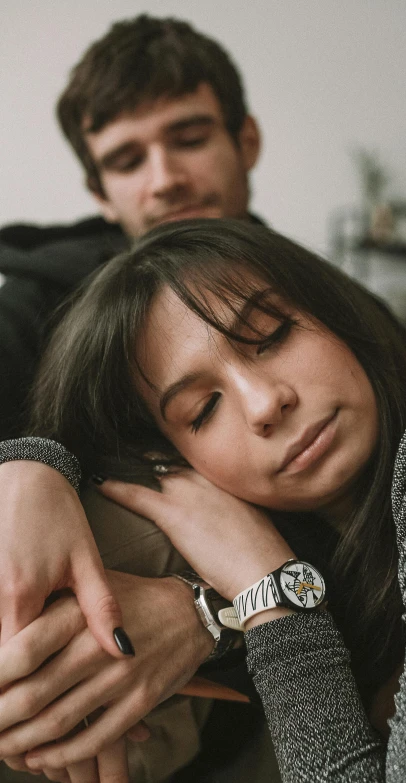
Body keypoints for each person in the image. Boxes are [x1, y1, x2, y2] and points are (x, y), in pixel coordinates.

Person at [9, 219, 406, 782]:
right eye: (202, 410)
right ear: (180, 465)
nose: (263, 404)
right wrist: (33, 462)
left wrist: (270, 591)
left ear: (336, 314)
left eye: (272, 335)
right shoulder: (351, 609)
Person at [0, 14, 264, 780]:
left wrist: (208, 610)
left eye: (188, 137)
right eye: (126, 158)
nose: (165, 177)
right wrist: (29, 459)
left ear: (245, 141)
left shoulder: (326, 313)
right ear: (99, 190)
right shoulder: (39, 294)